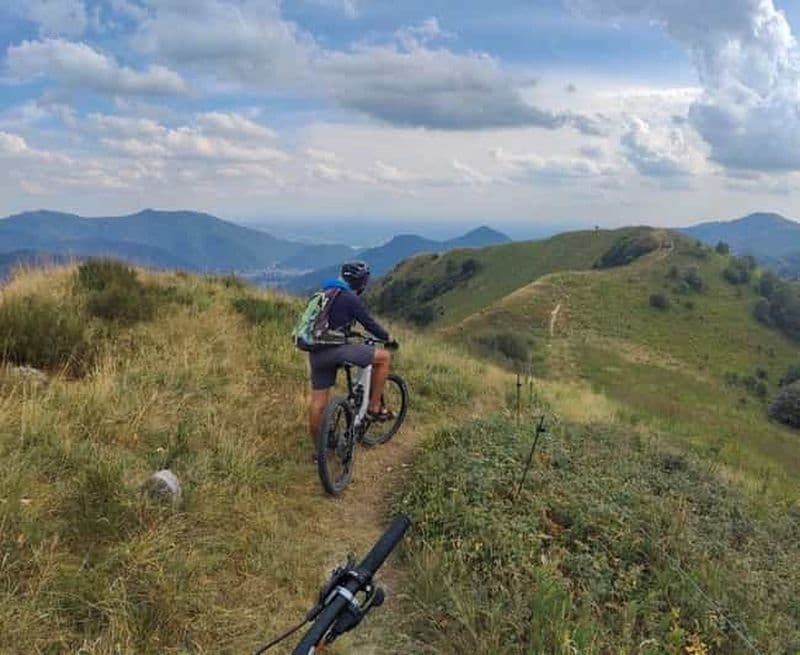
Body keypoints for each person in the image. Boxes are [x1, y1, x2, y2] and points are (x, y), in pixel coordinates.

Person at [307, 261, 395, 443]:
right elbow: (369, 323)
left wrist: (350, 332)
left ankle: (320, 448)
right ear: (360, 282)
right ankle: (374, 406)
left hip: (316, 353)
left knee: (318, 405)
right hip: (337, 351)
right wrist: (388, 338)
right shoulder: (349, 298)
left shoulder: (323, 293)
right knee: (384, 358)